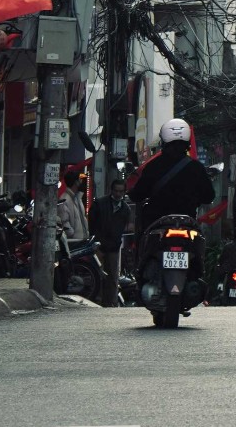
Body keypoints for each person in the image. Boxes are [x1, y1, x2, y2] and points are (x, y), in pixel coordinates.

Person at [128, 118, 215, 229]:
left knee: (143, 240)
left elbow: (139, 194)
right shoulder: (196, 167)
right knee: (199, 241)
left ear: (163, 141)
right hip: (187, 223)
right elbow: (209, 196)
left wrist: (132, 193)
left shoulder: (153, 166)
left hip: (157, 224)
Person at [90, 176, 133, 306]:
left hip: (114, 247)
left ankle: (111, 303)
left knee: (113, 277)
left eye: (121, 191)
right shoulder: (100, 204)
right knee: (98, 274)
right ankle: (97, 300)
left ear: (124, 192)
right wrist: (95, 242)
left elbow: (125, 227)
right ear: (111, 190)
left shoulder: (125, 209)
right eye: (116, 191)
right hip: (98, 245)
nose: (118, 194)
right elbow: (92, 224)